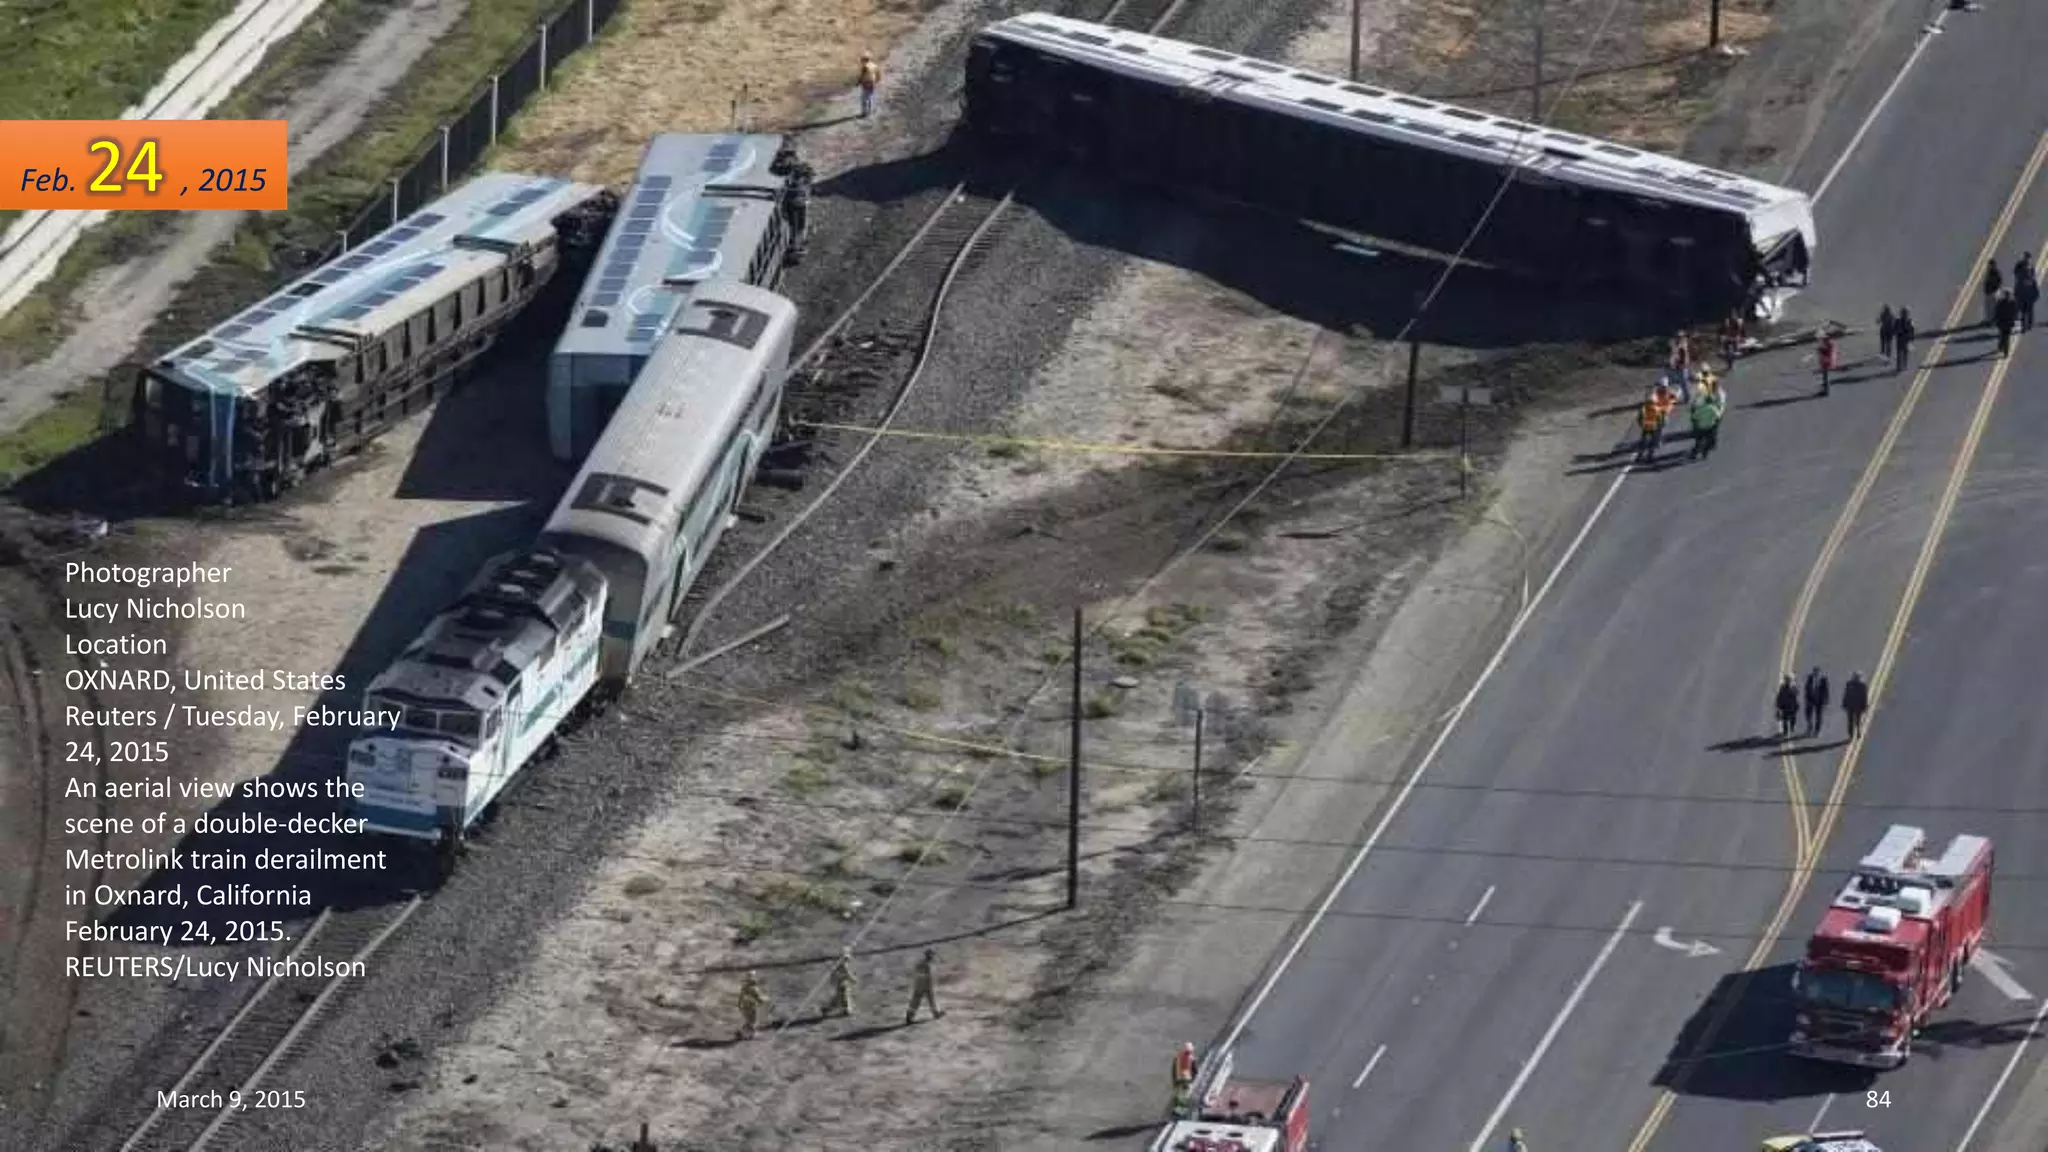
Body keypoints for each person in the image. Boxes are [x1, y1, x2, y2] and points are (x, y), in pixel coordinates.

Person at [1688, 375, 1723, 460]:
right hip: (1709, 427)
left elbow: (1694, 417)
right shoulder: (1713, 408)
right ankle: (1705, 453)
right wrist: (1715, 423)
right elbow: (1718, 417)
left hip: (1700, 427)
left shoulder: (1701, 408)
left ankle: (1694, 454)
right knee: (1708, 441)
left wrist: (1695, 425)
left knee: (1698, 442)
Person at [905, 946, 942, 1024]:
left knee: (915, 1002)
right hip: (926, 986)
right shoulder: (928, 965)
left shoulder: (920, 963)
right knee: (930, 1000)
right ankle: (936, 1014)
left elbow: (915, 974)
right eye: (932, 955)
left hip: (918, 986)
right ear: (930, 955)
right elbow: (929, 977)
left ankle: (909, 1016)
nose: (933, 957)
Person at [1635, 393, 1666, 465]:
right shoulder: (1657, 409)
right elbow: (1660, 420)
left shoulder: (1644, 408)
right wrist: (1659, 427)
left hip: (1646, 428)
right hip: (1653, 428)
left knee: (1643, 443)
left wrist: (1641, 425)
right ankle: (1649, 457)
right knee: (1652, 444)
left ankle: (1640, 456)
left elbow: (1639, 419)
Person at [737, 970, 768, 1040]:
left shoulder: (744, 986)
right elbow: (758, 998)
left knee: (749, 1021)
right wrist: (764, 1000)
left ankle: (742, 1032)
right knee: (752, 1021)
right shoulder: (753, 989)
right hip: (750, 1007)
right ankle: (750, 1034)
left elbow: (741, 996)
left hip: (743, 1006)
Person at [827, 946, 856, 1017]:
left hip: (840, 981)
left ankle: (828, 1008)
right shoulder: (843, 965)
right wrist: (852, 979)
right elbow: (847, 973)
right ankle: (846, 1009)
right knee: (844, 995)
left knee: (838, 997)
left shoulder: (839, 964)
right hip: (841, 982)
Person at [1172, 1042, 1198, 1117]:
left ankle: (1177, 1109)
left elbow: (1173, 1070)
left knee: (1178, 1095)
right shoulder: (1192, 1059)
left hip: (1178, 1079)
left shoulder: (1177, 1057)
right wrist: (1192, 1080)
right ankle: (1183, 1111)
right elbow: (1196, 1071)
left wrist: (1174, 1080)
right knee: (1185, 1096)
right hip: (1187, 1080)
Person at [1803, 666, 1831, 737]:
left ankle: (1817, 731)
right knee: (1808, 715)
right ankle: (1810, 727)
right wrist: (1806, 698)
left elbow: (1826, 691)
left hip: (1820, 701)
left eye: (1817, 672)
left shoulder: (1823, 680)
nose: (1816, 673)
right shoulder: (1810, 678)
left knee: (1819, 717)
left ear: (1819, 673)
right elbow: (1807, 688)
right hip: (1810, 700)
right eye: (1814, 672)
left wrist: (1826, 701)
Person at [1843, 671, 1870, 740]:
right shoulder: (1849, 684)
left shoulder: (1862, 686)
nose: (1856, 678)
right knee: (1850, 721)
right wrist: (1844, 703)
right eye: (1855, 677)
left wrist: (1865, 706)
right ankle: (1851, 735)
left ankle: (1858, 731)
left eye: (1857, 677)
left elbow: (1864, 697)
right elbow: (1846, 694)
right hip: (1850, 706)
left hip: (1859, 706)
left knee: (1858, 721)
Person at [1993, 288, 2020, 357]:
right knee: (2006, 337)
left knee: (2002, 335)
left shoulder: (2000, 302)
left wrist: (1996, 320)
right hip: (2009, 322)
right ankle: (2005, 352)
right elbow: (2015, 312)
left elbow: (1997, 312)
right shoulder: (2013, 302)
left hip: (2002, 322)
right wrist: (2015, 320)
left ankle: (2001, 347)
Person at [1775, 675, 1800, 739]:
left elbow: (1797, 693)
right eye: (1786, 680)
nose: (1787, 681)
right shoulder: (1782, 687)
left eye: (1788, 680)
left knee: (1793, 718)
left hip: (1792, 706)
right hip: (1785, 706)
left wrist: (1793, 687)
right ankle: (1785, 732)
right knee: (1785, 720)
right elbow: (1779, 696)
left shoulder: (1793, 687)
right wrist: (1778, 706)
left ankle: (1792, 727)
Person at [2017, 262, 2039, 333]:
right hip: (2023, 299)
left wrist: (2035, 297)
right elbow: (2017, 289)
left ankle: (2029, 324)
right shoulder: (2021, 280)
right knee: (2024, 314)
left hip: (2029, 299)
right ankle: (2024, 327)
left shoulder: (2032, 280)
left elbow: (2035, 290)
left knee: (2029, 313)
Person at [1893, 307, 1917, 374]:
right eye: (1904, 313)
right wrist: (1897, 332)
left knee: (1905, 353)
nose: (1904, 314)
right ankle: (1899, 366)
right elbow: (1894, 330)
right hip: (1900, 339)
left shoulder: (1909, 321)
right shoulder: (1898, 321)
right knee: (1900, 353)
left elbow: (1912, 330)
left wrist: (1911, 338)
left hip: (1905, 339)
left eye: (1905, 313)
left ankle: (1904, 365)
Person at [858, 53, 881, 118]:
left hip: (866, 83)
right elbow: (878, 75)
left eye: (862, 60)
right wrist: (877, 81)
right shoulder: (875, 66)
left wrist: (858, 82)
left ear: (865, 60)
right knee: (870, 97)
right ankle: (870, 111)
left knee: (863, 98)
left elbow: (862, 76)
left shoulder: (865, 67)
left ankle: (864, 112)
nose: (861, 61)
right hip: (872, 83)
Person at [1817, 328, 1838, 396]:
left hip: (1827, 361)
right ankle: (1825, 389)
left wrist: (1820, 350)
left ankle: (1826, 391)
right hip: (1828, 360)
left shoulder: (1828, 342)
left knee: (1826, 376)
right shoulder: (1830, 341)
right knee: (1825, 376)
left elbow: (1826, 352)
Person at [1984, 259, 2004, 326]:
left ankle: (1994, 321)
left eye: (1990, 265)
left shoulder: (1996, 273)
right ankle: (1989, 320)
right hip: (1988, 292)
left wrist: (1995, 290)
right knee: (1988, 307)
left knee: (1994, 308)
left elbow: (1999, 282)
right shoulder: (1989, 272)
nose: (1988, 266)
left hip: (1993, 292)